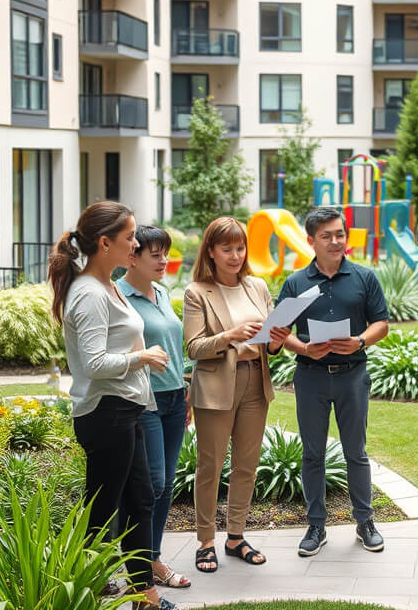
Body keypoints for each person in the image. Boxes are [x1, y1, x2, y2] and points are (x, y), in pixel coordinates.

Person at [49, 201, 175, 610]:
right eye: (129, 238)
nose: (136, 244)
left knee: (139, 500)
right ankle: (74, 588)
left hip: (127, 408)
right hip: (105, 414)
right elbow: (92, 364)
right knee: (103, 508)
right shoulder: (88, 293)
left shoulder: (110, 284)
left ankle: (145, 597)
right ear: (105, 244)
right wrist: (143, 358)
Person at [275, 207, 390, 557]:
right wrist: (304, 349)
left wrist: (359, 341)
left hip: (353, 376)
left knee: (356, 452)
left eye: (340, 233)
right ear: (311, 241)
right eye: (326, 236)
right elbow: (278, 334)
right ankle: (315, 525)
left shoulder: (364, 277)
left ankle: (365, 522)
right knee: (312, 455)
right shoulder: (296, 282)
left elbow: (381, 323)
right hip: (310, 378)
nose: (336, 240)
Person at [183, 217, 289, 574]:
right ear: (211, 251)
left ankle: (236, 537)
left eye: (240, 247)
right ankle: (205, 542)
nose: (235, 255)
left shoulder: (257, 286)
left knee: (246, 465)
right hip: (215, 387)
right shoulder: (196, 291)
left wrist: (275, 340)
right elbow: (194, 347)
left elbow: (270, 343)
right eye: (226, 248)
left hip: (255, 383)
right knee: (210, 466)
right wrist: (230, 335)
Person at [117, 225, 191, 590]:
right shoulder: (119, 295)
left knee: (166, 484)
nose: (164, 261)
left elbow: (172, 343)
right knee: (153, 484)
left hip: (176, 398)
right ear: (133, 257)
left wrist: (185, 384)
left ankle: (151, 558)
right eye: (155, 254)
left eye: (166, 253)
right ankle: (140, 564)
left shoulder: (161, 291)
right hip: (145, 401)